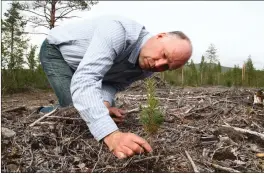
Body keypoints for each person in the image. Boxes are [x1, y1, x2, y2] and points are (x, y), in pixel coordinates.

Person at [39, 15, 192, 159]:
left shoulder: (147, 69)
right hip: (57, 52)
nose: (158, 65)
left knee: (95, 108)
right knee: (74, 110)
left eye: (166, 67)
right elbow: (86, 79)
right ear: (160, 36)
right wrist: (112, 135)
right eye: (164, 55)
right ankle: (46, 111)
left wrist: (104, 104)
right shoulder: (119, 31)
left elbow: (112, 83)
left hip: (87, 68)